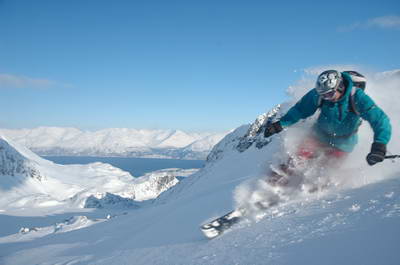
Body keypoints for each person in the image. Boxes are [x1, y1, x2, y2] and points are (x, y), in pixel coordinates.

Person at [263, 70, 392, 170]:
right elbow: (300, 110)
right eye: (323, 95)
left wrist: (379, 145)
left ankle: (308, 197)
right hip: (317, 136)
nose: (326, 98)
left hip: (343, 144)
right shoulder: (320, 93)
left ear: (340, 87)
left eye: (329, 94)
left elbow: (380, 120)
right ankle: (271, 187)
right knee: (294, 162)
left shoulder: (357, 97)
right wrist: (280, 124)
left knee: (325, 173)